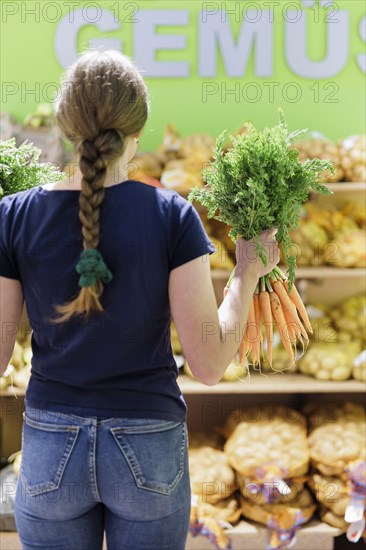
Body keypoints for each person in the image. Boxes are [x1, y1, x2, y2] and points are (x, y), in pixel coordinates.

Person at [0, 50, 280, 550]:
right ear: (137, 131)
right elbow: (210, 364)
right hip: (148, 446)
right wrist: (246, 271)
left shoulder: (13, 216)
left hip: (49, 446)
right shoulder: (172, 215)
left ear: (65, 125)